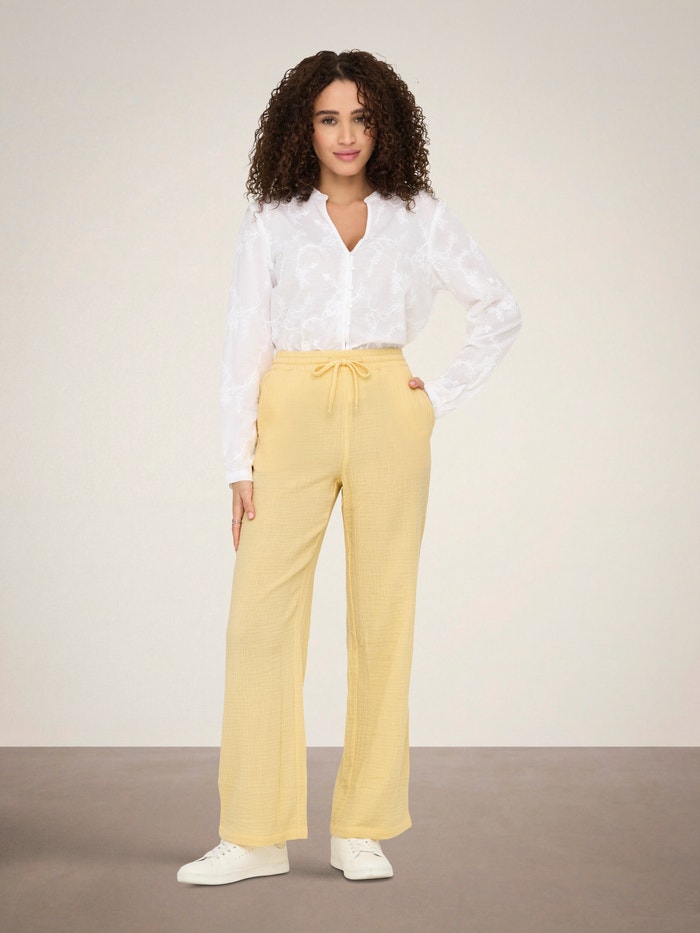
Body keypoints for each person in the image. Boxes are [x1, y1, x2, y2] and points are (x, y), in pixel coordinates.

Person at [177, 49, 521, 886]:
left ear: (384, 126)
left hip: (385, 407)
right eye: (329, 117)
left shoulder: (417, 213)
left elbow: (498, 307)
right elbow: (242, 339)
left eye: (361, 117)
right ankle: (254, 834)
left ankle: (361, 827)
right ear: (303, 127)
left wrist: (434, 399)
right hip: (291, 411)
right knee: (259, 623)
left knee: (382, 618)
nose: (346, 134)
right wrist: (237, 463)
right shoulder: (272, 218)